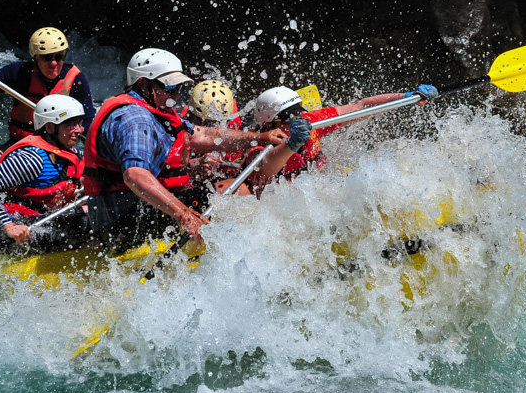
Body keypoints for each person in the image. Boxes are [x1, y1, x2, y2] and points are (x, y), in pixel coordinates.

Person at [80, 48, 288, 251]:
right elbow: (135, 175)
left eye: (178, 89)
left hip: (136, 209)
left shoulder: (153, 110)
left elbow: (203, 135)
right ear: (143, 84)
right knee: (238, 191)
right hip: (125, 222)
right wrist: (183, 214)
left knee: (232, 189)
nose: (176, 96)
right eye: (170, 88)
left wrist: (259, 138)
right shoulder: (135, 120)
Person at [244, 84, 439, 191]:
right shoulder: (257, 145)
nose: (299, 121)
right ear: (270, 124)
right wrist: (292, 144)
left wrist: (406, 96)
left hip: (328, 192)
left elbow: (359, 107)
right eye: (290, 118)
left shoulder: (309, 122)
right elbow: (264, 170)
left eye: (299, 113)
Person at [0, 94, 86, 247]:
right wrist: (8, 226)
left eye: (79, 123)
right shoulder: (32, 159)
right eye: (71, 124)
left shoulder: (71, 153)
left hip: (41, 220)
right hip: (17, 228)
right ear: (50, 127)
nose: (79, 130)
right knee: (85, 217)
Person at [0, 27, 96, 149]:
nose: (54, 63)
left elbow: (88, 121)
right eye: (47, 57)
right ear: (35, 58)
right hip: (18, 145)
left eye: (59, 57)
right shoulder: (20, 73)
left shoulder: (76, 80)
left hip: (57, 150)